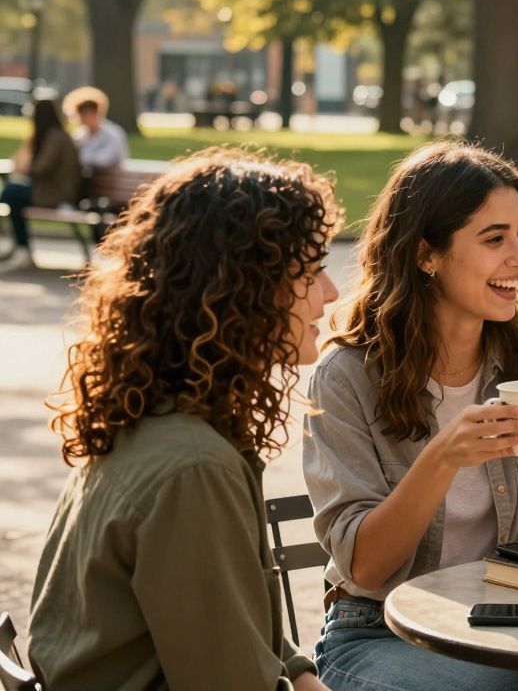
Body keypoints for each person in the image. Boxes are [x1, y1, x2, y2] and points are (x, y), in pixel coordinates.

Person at [28, 148, 341, 690]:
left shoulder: (157, 417)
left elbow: (239, 619)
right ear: (242, 289)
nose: (331, 293)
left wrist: (301, 674)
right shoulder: (194, 465)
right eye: (311, 272)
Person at [303, 141, 518, 691]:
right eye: (494, 239)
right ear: (426, 254)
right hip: (378, 631)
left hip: (502, 623)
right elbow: (365, 568)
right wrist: (442, 458)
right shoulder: (346, 376)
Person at [0, 99, 81, 272]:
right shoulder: (53, 136)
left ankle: (22, 247)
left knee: (11, 193)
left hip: (57, 194)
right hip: (49, 190)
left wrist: (26, 167)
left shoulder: (55, 138)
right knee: (12, 194)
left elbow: (41, 168)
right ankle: (21, 246)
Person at [63, 86, 129, 170]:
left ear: (95, 113)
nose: (81, 119)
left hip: (111, 179)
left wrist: (79, 158)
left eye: (85, 114)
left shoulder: (112, 134)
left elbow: (104, 160)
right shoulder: (80, 135)